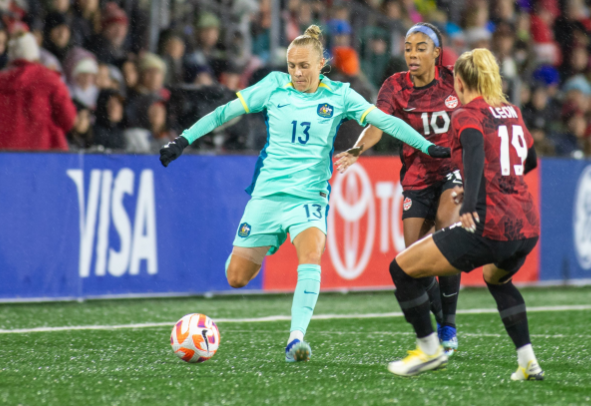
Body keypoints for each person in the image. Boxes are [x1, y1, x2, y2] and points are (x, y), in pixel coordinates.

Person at [159, 26, 449, 362]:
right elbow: (224, 112)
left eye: (304, 66)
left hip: (310, 197)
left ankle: (295, 339)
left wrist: (427, 146)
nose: (297, 73)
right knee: (236, 277)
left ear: (322, 63)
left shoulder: (340, 95)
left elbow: (385, 121)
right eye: (292, 65)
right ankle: (268, 240)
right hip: (268, 195)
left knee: (310, 256)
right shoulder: (273, 87)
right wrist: (182, 140)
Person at [385, 48, 542, 381]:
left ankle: (428, 350)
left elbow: (472, 151)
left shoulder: (466, 114)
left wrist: (470, 202)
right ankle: (528, 362)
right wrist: (485, 186)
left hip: (490, 224)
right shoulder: (511, 111)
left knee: (400, 269)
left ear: (459, 80)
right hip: (527, 225)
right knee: (497, 280)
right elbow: (529, 162)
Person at [335, 23, 463, 353]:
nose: (413, 54)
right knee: (414, 262)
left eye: (421, 47)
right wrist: (357, 150)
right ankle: (439, 318)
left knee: (447, 235)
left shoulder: (455, 80)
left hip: (452, 171)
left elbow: (483, 106)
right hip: (417, 179)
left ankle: (449, 324)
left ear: (437, 52)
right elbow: (377, 125)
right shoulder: (395, 86)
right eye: (408, 47)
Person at [0, 33, 77, 149]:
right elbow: (68, 119)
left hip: (5, 156)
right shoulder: (49, 79)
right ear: (34, 54)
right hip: (45, 155)